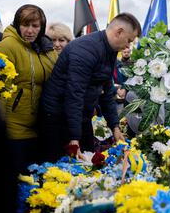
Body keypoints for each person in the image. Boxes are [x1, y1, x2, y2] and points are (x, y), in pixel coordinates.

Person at [39, 13, 141, 161]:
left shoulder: (109, 50)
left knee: (90, 161)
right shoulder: (86, 49)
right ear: (119, 32)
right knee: (61, 170)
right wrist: (74, 139)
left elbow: (106, 92)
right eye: (129, 40)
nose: (128, 46)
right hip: (58, 117)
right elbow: (74, 94)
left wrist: (115, 127)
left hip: (80, 117)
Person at [0, 4, 57, 213]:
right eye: (25, 25)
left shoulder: (41, 48)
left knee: (35, 186)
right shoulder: (7, 45)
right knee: (17, 188)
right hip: (14, 128)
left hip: (37, 127)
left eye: (35, 26)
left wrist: (49, 49)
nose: (30, 30)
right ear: (17, 25)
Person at [113, 44, 133, 114]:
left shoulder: (133, 64)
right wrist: (117, 89)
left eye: (128, 52)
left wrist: (125, 88)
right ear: (121, 52)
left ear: (130, 52)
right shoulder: (117, 64)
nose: (126, 54)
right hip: (117, 92)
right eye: (125, 52)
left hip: (128, 92)